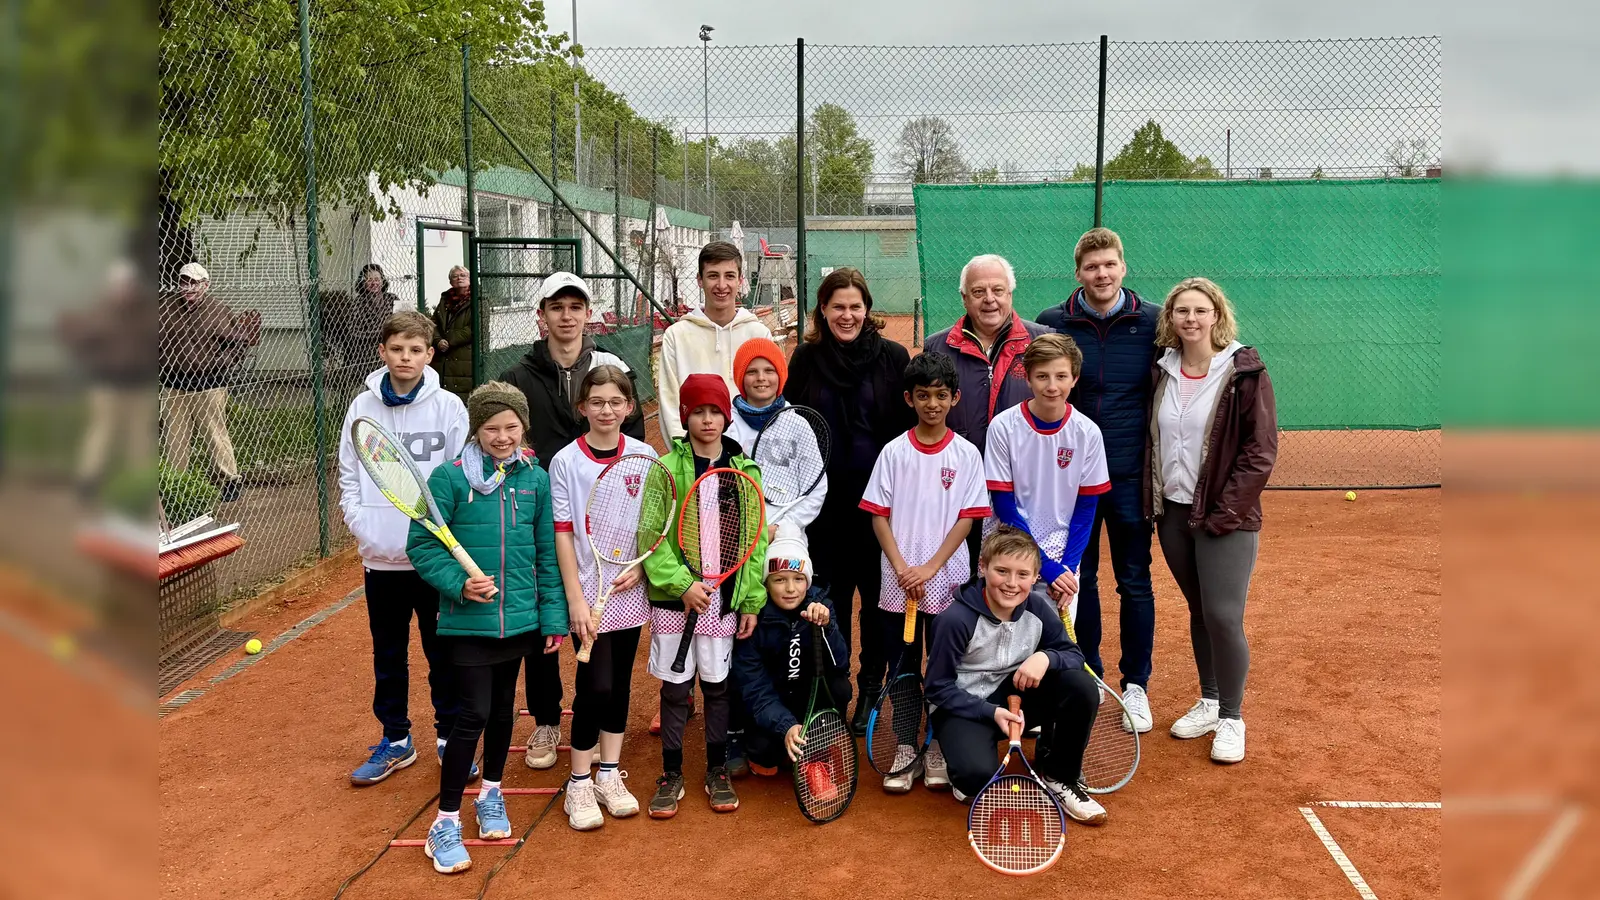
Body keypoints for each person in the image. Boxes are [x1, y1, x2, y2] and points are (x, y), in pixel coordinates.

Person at [407, 382, 568, 875]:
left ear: (524, 427)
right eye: (492, 428)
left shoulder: (534, 479)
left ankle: (491, 796)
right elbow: (423, 546)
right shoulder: (448, 479)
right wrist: (459, 584)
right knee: (472, 714)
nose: (502, 437)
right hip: (467, 623)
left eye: (511, 427)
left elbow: (546, 555)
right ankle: (445, 822)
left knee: (502, 713)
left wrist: (553, 618)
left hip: (521, 621)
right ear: (476, 429)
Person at [497, 271, 647, 769]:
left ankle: (598, 762)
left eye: (575, 306)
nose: (566, 316)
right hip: (535, 517)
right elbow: (502, 439)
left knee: (603, 667)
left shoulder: (610, 369)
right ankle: (544, 722)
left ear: (587, 314)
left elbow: (633, 454)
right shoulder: (516, 377)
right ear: (542, 316)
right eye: (556, 307)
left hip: (597, 531)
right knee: (544, 625)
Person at [1144, 277, 1277, 764]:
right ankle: (1210, 699)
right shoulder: (1162, 370)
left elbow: (1259, 452)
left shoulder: (1244, 370)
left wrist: (1227, 513)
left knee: (1223, 615)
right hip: (1174, 513)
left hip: (1226, 517)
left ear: (1217, 315)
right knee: (1199, 610)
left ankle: (1233, 718)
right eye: (1182, 312)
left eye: (1200, 311)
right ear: (1170, 319)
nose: (1191, 320)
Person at [1034, 227, 1160, 733]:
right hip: (1071, 483)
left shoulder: (1153, 322)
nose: (1101, 274)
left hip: (1128, 477)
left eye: (1109, 264)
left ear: (1123, 267)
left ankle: (1136, 686)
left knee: (1134, 579)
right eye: (1091, 267)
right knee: (1073, 581)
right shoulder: (1053, 323)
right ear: (1078, 272)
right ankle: (1087, 674)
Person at [339, 312, 472, 786]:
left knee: (444, 653)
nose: (406, 358)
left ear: (430, 354)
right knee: (388, 655)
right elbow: (350, 474)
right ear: (383, 352)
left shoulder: (449, 407)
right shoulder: (361, 408)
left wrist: (446, 541)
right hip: (381, 561)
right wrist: (365, 528)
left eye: (416, 350)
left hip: (433, 561)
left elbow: (459, 475)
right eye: (397, 349)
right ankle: (396, 740)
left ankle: (448, 735)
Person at [786, 267, 915, 734]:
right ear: (822, 310)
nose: (847, 314)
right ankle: (834, 692)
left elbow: (909, 430)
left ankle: (871, 689)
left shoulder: (894, 358)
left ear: (867, 309)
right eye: (837, 306)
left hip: (880, 511)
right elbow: (788, 428)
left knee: (881, 607)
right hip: (821, 511)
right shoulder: (804, 359)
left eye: (855, 306)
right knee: (830, 605)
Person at [858, 352, 990, 793]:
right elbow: (879, 516)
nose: (931, 404)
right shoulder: (894, 452)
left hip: (947, 581)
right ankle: (904, 747)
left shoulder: (968, 454)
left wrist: (931, 567)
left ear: (953, 398)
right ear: (908, 399)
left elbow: (967, 520)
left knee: (944, 667)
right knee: (902, 666)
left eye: (940, 395)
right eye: (922, 396)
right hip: (899, 586)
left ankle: (935, 746)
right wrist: (902, 568)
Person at [640, 374, 769, 818]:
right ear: (685, 416)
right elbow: (651, 538)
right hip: (675, 603)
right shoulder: (667, 469)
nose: (708, 419)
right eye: (699, 411)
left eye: (715, 411)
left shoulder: (744, 470)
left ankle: (717, 769)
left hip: (724, 601)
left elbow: (756, 543)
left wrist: (750, 600)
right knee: (676, 691)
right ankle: (671, 772)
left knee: (717, 687)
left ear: (726, 416)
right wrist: (682, 585)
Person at [924, 527, 1107, 825]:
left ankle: (1061, 776)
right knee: (975, 779)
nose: (1011, 583)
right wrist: (989, 711)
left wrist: (1044, 657)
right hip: (965, 707)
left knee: (1081, 686)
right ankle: (956, 755)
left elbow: (1074, 655)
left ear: (1035, 577)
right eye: (1001, 571)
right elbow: (937, 687)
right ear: (982, 568)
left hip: (1015, 697)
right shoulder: (954, 620)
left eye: (1023, 574)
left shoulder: (1037, 607)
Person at [547, 366, 656, 829]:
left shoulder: (646, 456)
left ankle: (608, 774)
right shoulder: (565, 462)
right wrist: (574, 597)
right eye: (597, 402)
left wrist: (639, 567)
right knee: (597, 685)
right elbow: (564, 534)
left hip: (630, 586)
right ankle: (577, 782)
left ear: (630, 407)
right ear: (582, 408)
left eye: (616, 402)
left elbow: (653, 524)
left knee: (622, 684)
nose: (606, 410)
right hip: (588, 588)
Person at [984, 334, 1111, 627]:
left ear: (1074, 379)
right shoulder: (1004, 426)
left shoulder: (1087, 433)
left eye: (1061, 376)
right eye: (1042, 376)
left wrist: (1066, 568)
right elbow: (1004, 504)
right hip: (1008, 549)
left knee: (1052, 648)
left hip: (1063, 553)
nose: (1052, 386)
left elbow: (1086, 508)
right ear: (1028, 378)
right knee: (1003, 640)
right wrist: (1045, 566)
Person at [730, 526, 851, 783]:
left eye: (798, 579)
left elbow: (840, 664)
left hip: (807, 703)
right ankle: (786, 745)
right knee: (766, 756)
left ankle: (816, 746)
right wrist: (786, 726)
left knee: (841, 688)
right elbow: (755, 689)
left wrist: (826, 628)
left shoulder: (823, 606)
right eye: (779, 579)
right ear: (766, 582)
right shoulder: (754, 619)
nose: (790, 589)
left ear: (808, 580)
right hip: (771, 706)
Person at [158, 261, 260, 503]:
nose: (189, 288)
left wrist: (220, 362)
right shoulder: (165, 308)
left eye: (195, 283)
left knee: (215, 433)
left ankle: (230, 479)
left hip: (209, 383)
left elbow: (239, 343)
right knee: (175, 437)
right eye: (185, 282)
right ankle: (176, 483)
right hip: (173, 383)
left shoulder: (218, 310)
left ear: (206, 285)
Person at [655, 241, 772, 440]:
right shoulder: (676, 336)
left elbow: (768, 400)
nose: (721, 285)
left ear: (740, 280)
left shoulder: (759, 334)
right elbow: (670, 402)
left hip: (748, 458)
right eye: (712, 276)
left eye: (729, 276)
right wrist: (688, 456)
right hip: (695, 457)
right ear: (699, 280)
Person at [60, 260, 154, 502]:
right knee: (101, 432)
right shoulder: (100, 311)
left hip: (138, 384)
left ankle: (139, 482)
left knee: (139, 436)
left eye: (127, 285)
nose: (123, 290)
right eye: (119, 285)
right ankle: (88, 481)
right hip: (106, 383)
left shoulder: (142, 313)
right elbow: (81, 338)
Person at [341, 264, 402, 380]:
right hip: (368, 356)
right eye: (369, 280)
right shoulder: (358, 303)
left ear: (382, 281)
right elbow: (353, 331)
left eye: (377, 279)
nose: (374, 283)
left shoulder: (392, 299)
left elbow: (403, 320)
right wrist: (381, 333)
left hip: (393, 351)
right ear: (363, 283)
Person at [430, 265, 475, 401]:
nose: (459, 278)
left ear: (469, 279)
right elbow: (433, 324)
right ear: (450, 281)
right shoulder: (445, 300)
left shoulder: (478, 299)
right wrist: (438, 341)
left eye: (463, 275)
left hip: (465, 358)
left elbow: (474, 329)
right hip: (442, 359)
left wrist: (448, 341)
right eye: (455, 276)